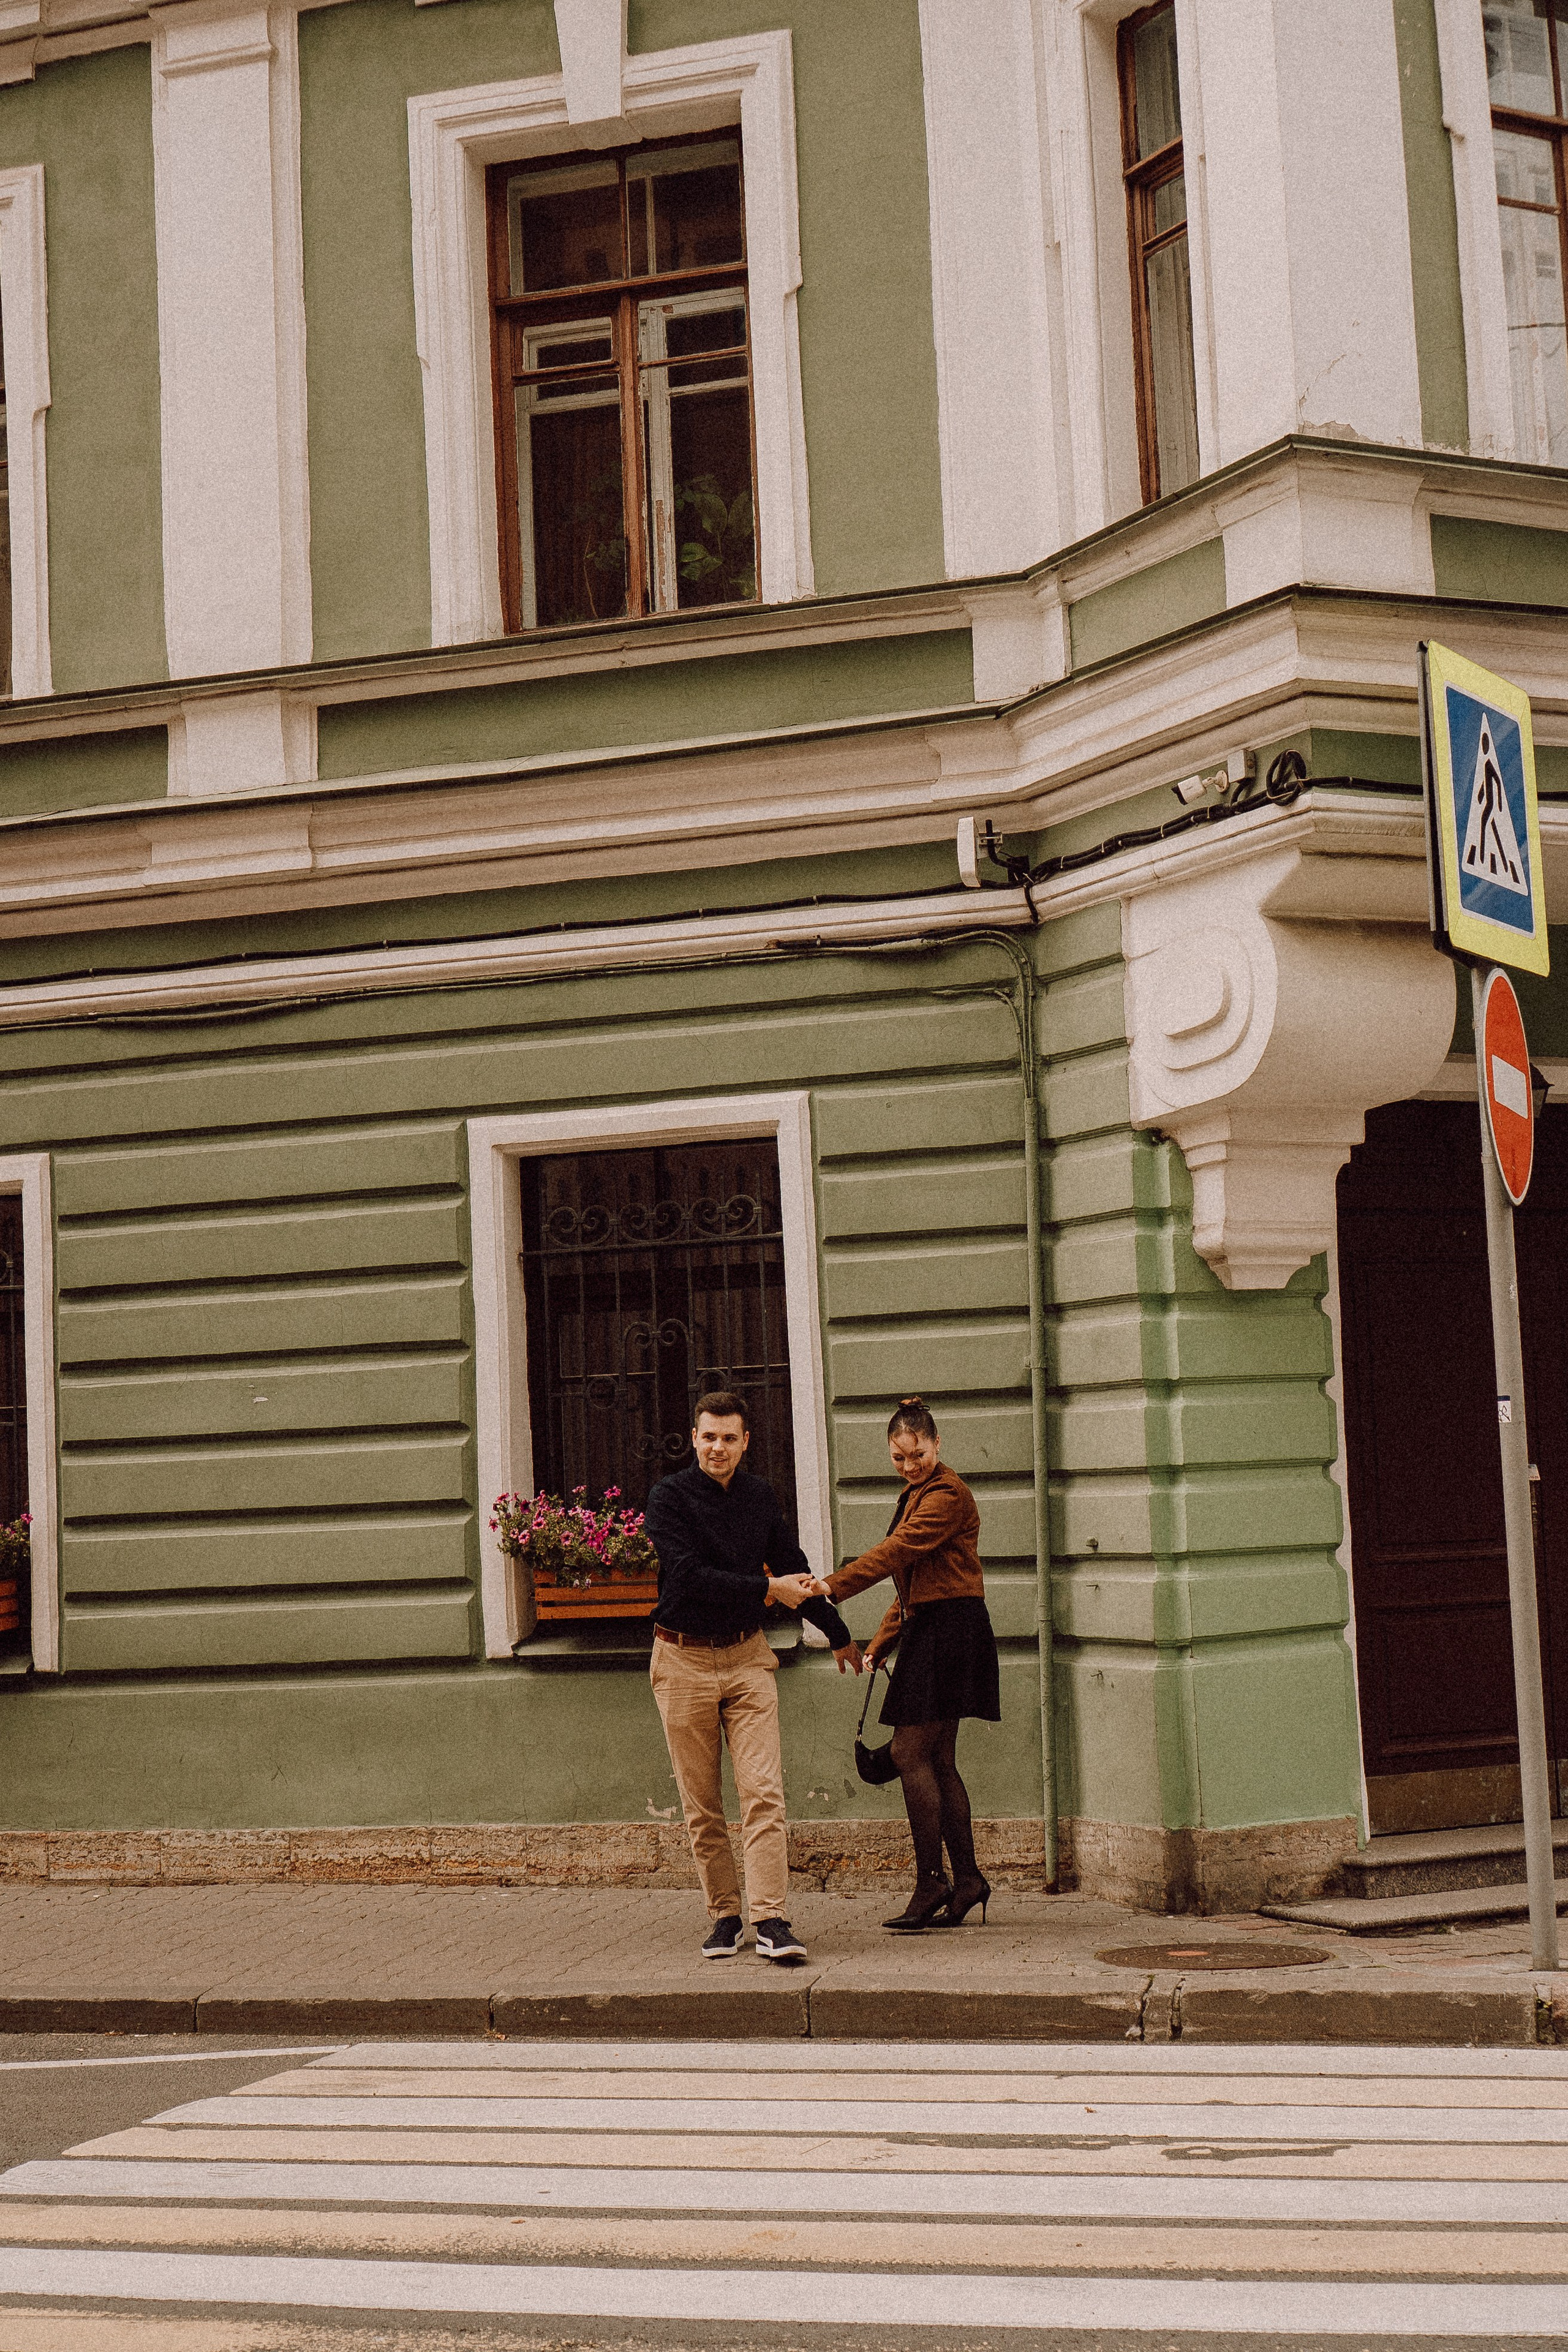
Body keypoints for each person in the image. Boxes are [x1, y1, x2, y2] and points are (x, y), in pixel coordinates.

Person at [644, 1389, 862, 1965]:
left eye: (729, 1438)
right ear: (694, 1440)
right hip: (682, 1660)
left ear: (746, 1443)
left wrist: (836, 1632)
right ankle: (725, 1916)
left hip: (747, 1659)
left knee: (764, 1794)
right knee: (702, 1803)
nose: (718, 1448)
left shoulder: (759, 1496)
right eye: (708, 1437)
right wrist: (769, 1590)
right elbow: (689, 1577)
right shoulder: (668, 1498)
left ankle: (770, 1919)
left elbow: (792, 1567)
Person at [812, 1397, 999, 1932]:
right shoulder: (918, 1492)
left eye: (918, 1454)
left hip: (949, 1631)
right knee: (937, 1759)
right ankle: (967, 1881)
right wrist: (882, 1641)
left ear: (938, 1444)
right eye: (899, 1457)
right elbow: (915, 1583)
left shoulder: (946, 1495)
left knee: (908, 1751)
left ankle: (932, 1882)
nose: (910, 1465)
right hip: (940, 1628)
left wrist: (831, 1586)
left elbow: (897, 1552)